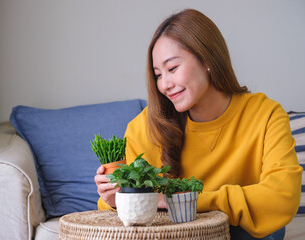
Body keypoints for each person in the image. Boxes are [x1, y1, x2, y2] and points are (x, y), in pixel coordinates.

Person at [94, 9, 302, 239]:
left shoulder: (265, 114)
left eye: (172, 68)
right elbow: (124, 210)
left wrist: (186, 201)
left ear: (206, 60)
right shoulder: (143, 127)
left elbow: (281, 198)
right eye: (158, 75)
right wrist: (116, 198)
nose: (164, 85)